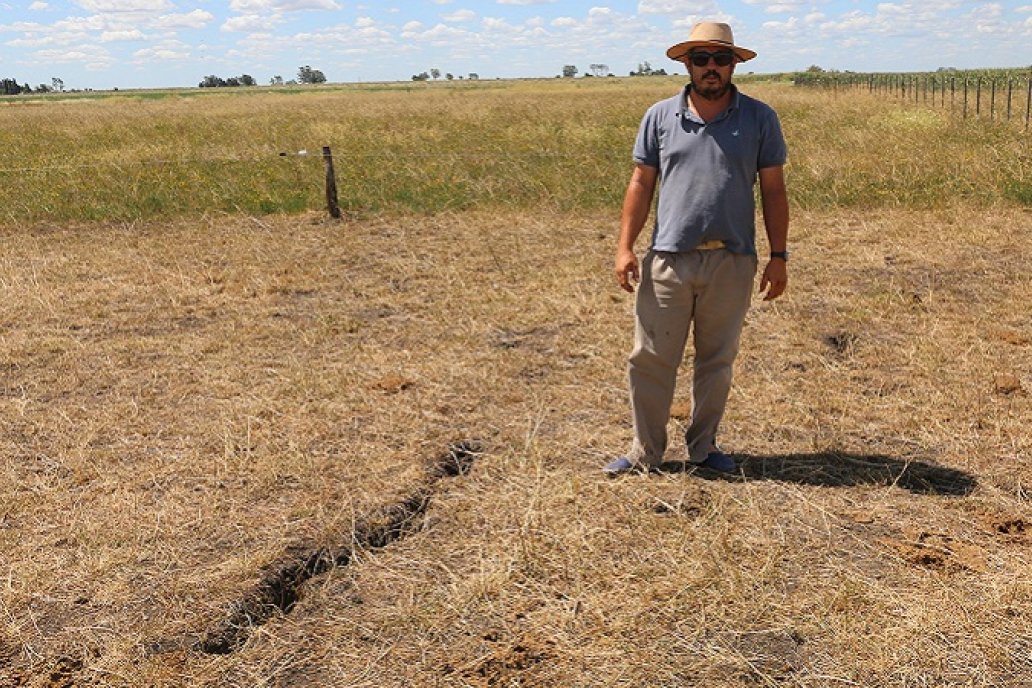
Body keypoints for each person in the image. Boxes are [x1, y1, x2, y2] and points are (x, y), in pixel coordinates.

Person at [604, 21, 789, 476]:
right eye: (701, 59)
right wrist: (624, 248)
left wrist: (778, 256)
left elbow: (774, 190)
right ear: (686, 63)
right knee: (649, 357)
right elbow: (641, 182)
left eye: (720, 59)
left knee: (717, 359)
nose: (711, 68)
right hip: (668, 258)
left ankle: (704, 447)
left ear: (733, 65)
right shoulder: (659, 116)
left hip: (733, 259)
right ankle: (646, 452)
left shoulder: (759, 117)